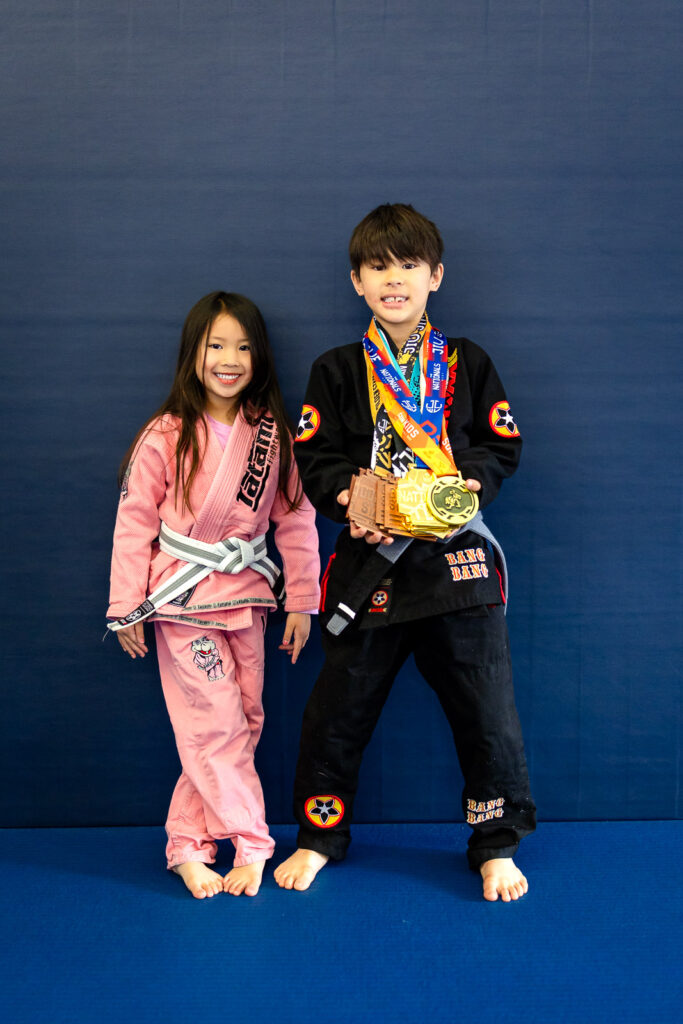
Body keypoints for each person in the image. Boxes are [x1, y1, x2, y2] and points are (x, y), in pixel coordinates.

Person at [274, 204, 536, 902]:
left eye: (409, 266)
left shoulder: (467, 362)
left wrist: (466, 482)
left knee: (487, 713)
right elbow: (314, 459)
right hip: (370, 567)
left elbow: (500, 444)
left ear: (435, 276)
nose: (394, 280)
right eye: (378, 267)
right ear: (356, 281)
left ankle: (496, 844)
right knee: (335, 714)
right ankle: (319, 835)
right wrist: (345, 501)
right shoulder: (335, 370)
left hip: (458, 566)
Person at [108, 291, 320, 899]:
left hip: (249, 595)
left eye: (244, 347)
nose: (230, 359)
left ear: (260, 356)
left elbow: (297, 516)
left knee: (243, 720)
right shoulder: (166, 434)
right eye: (216, 345)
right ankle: (252, 842)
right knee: (215, 724)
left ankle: (186, 844)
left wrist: (303, 599)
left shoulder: (271, 434)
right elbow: (134, 522)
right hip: (183, 600)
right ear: (193, 353)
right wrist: (126, 606)